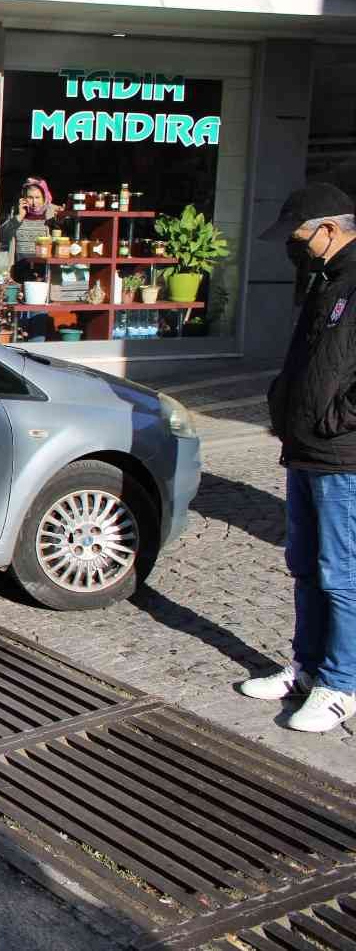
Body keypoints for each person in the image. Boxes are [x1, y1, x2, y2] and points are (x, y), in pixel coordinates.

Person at [248, 183, 356, 733]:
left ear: (330, 230)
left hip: (343, 457)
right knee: (306, 568)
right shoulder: (326, 280)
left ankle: (341, 684)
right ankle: (307, 668)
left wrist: (333, 419)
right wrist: (284, 405)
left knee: (341, 574)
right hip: (304, 451)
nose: (296, 248)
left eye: (300, 238)